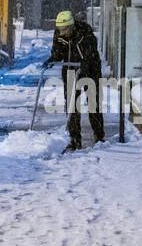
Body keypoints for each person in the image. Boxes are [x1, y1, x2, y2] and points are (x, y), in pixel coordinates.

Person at [43, 9, 104, 150]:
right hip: (70, 69)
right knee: (71, 105)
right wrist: (53, 58)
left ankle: (99, 136)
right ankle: (74, 139)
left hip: (91, 69)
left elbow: (91, 51)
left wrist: (85, 64)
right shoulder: (59, 33)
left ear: (71, 26)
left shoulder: (85, 31)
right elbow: (58, 51)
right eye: (60, 29)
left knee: (93, 103)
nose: (62, 32)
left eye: (64, 30)